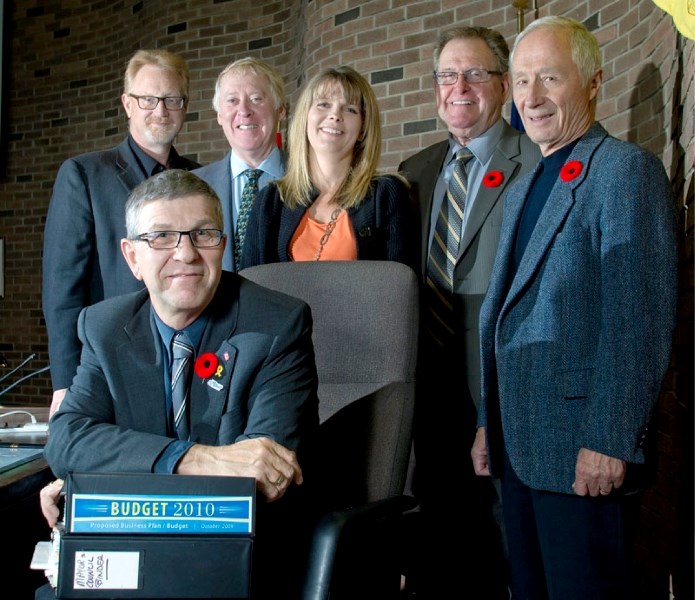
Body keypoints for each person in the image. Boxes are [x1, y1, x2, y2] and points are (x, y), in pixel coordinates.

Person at [41, 169, 319, 599]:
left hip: (241, 565)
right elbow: (65, 441)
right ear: (132, 257)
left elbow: (262, 477)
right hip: (132, 560)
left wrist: (100, 487)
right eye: (162, 237)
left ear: (222, 246)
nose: (186, 254)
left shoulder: (278, 324)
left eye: (203, 234)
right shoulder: (103, 327)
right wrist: (187, 460)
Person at [472, 16, 677, 600]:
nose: (531, 98)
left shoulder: (624, 172)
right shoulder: (522, 189)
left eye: (549, 78)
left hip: (583, 452)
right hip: (520, 450)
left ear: (592, 82)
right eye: (520, 81)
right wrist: (490, 422)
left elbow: (637, 319)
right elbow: (507, 317)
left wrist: (611, 438)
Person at [397, 26, 540, 599]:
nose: (460, 87)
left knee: (505, 529)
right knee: (439, 525)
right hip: (428, 376)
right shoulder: (414, 170)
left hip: (498, 377)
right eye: (448, 75)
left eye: (476, 74)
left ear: (503, 85)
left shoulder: (533, 159)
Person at [42, 49, 200, 418]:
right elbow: (63, 290)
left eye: (172, 99)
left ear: (184, 106)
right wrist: (65, 383)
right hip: (108, 366)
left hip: (191, 362)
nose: (160, 110)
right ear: (127, 104)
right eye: (148, 99)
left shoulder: (199, 179)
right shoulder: (84, 175)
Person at [239, 65, 415, 269]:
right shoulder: (269, 201)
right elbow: (251, 287)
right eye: (323, 104)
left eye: (350, 109)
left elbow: (398, 290)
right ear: (305, 118)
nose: (335, 115)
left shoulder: (386, 195)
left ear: (362, 129)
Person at [193, 57, 287, 271]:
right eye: (232, 101)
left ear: (280, 109)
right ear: (219, 115)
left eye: (256, 98)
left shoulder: (311, 178)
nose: (244, 111)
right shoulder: (194, 185)